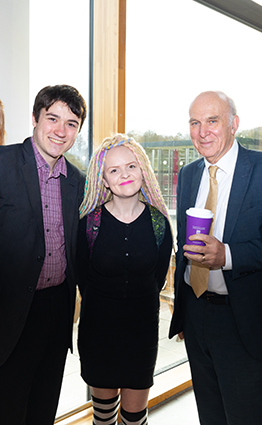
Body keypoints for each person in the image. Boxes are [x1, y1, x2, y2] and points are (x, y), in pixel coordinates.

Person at [169, 90, 262, 425]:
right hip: (197, 314)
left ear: (234, 124)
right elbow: (184, 246)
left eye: (212, 121)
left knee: (245, 417)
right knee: (210, 415)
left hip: (244, 319)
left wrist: (227, 255)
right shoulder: (188, 175)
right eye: (195, 123)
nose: (203, 132)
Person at [0, 85, 87, 424]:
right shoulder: (4, 165)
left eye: (71, 123)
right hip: (10, 313)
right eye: (53, 118)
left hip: (57, 312)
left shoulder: (77, 181)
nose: (60, 131)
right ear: (35, 118)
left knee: (43, 407)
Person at [77, 134, 173, 425]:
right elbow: (83, 279)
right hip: (99, 337)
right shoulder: (89, 224)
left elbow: (157, 279)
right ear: (103, 180)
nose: (124, 175)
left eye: (131, 166)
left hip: (141, 337)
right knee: (103, 418)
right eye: (114, 170)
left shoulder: (159, 223)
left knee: (134, 418)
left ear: (143, 170)